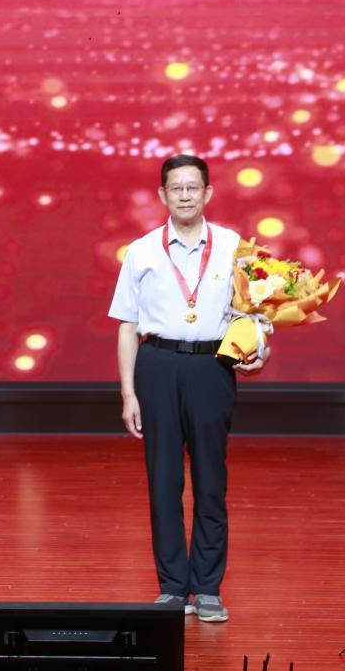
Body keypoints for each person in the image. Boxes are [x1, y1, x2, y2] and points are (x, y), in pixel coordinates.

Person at [109, 154, 265, 623]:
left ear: (207, 193)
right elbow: (126, 326)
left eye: (192, 187)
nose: (184, 196)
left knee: (211, 480)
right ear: (162, 195)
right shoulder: (141, 251)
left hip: (212, 366)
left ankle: (209, 588)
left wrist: (260, 351)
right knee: (163, 479)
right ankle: (173, 588)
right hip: (157, 365)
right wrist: (128, 394)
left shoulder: (235, 247)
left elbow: (255, 314)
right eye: (175, 188)